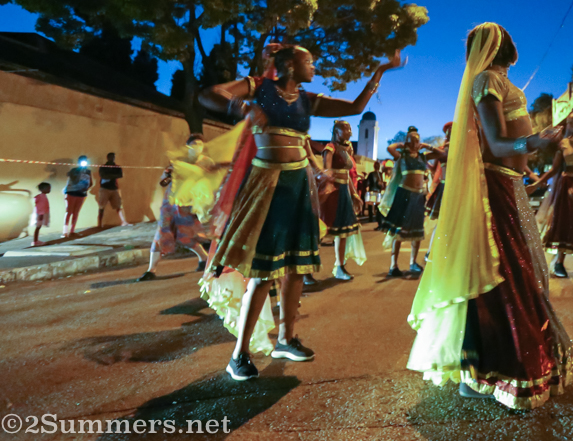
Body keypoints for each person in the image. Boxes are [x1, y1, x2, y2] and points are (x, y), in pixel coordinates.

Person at [200, 44, 402, 381]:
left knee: (295, 268)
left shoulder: (310, 100)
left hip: (298, 186)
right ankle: (240, 354)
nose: (313, 66)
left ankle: (286, 339)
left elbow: (355, 106)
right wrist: (241, 106)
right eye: (308, 61)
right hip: (267, 186)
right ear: (290, 65)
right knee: (264, 272)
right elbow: (210, 94)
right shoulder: (258, 87)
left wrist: (379, 71)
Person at [407, 22, 573, 409]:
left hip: (511, 185)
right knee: (502, 277)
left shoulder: (501, 81)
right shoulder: (487, 79)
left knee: (518, 274)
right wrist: (536, 140)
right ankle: (484, 370)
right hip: (495, 189)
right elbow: (500, 144)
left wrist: (546, 141)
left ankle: (486, 368)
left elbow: (513, 144)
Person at [137, 135, 211, 282]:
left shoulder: (206, 162)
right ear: (188, 147)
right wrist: (169, 173)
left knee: (186, 236)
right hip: (170, 205)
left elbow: (207, 181)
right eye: (194, 144)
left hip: (189, 205)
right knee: (161, 233)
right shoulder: (177, 163)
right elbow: (163, 182)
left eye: (200, 145)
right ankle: (151, 270)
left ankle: (205, 259)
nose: (197, 147)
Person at [528, 110, 573, 278]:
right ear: (567, 125)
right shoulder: (563, 143)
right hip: (568, 186)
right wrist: (536, 183)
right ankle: (559, 262)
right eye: (570, 122)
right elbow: (555, 169)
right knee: (566, 222)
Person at [319, 120, 367, 280]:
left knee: (343, 231)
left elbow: (348, 175)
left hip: (344, 191)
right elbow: (327, 171)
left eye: (350, 128)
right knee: (321, 229)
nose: (349, 131)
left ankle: (340, 266)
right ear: (336, 132)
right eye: (345, 129)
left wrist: (354, 194)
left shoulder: (347, 150)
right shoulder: (330, 148)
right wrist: (327, 187)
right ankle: (305, 271)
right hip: (332, 192)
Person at [382, 127, 431, 277]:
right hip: (404, 194)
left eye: (418, 140)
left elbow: (442, 154)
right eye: (413, 140)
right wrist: (401, 144)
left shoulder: (423, 157)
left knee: (417, 231)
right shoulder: (401, 156)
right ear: (407, 142)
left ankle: (413, 263)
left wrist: (428, 146)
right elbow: (390, 148)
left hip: (418, 196)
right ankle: (393, 265)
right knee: (399, 232)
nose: (416, 143)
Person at [424, 122, 452, 220]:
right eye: (447, 131)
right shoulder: (442, 149)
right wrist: (425, 162)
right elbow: (433, 168)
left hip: (457, 186)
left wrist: (427, 147)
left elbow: (444, 154)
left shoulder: (459, 148)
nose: (448, 134)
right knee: (444, 219)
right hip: (444, 186)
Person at [96, 153, 128, 228]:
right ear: (107, 158)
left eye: (113, 157)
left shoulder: (116, 167)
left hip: (114, 188)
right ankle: (99, 224)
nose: (112, 158)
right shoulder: (103, 167)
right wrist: (113, 175)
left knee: (118, 205)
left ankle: (123, 221)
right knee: (102, 206)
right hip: (104, 188)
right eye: (111, 157)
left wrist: (110, 175)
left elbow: (120, 175)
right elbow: (103, 175)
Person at [63, 156, 92, 237]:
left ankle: (72, 230)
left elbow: (91, 182)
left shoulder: (88, 171)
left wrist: (86, 188)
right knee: (69, 211)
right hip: (71, 192)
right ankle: (65, 231)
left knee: (76, 212)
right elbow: (75, 180)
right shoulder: (74, 170)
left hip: (81, 194)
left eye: (85, 161)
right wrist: (80, 172)